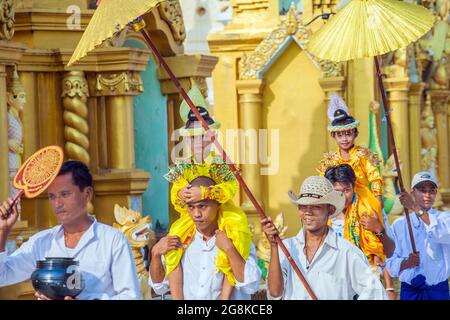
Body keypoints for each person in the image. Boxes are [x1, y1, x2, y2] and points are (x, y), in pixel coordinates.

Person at [0, 160, 141, 300]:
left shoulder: (112, 240)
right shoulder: (41, 242)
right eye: (52, 196)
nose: (57, 204)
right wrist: (3, 231)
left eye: (65, 194)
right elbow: (2, 276)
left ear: (87, 194)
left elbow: (131, 296)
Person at [262, 176, 388, 300]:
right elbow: (274, 293)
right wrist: (274, 246)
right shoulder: (286, 248)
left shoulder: (347, 252)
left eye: (316, 206)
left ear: (330, 210)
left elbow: (375, 293)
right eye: (303, 206)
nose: (308, 212)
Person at [149, 176, 261, 300]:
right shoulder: (180, 238)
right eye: (191, 207)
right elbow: (159, 287)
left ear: (218, 204)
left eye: (202, 206)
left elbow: (250, 286)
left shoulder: (236, 238)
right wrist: (155, 254)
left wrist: (229, 248)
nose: (196, 214)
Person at [324, 164, 398, 299]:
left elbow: (390, 251)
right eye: (337, 191)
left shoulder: (371, 210)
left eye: (347, 190)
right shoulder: (324, 215)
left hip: (367, 286)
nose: (343, 197)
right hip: (334, 286)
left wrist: (379, 229)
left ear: (354, 186)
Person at [386, 172, 450, 300]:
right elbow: (390, 263)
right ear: (412, 192)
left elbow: (441, 233)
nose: (427, 195)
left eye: (431, 191)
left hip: (438, 292)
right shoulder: (399, 225)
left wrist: (414, 207)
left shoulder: (445, 218)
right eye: (422, 190)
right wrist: (406, 263)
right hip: (410, 292)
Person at [317, 94, 384, 208]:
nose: (344, 139)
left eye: (348, 134)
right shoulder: (329, 161)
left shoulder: (364, 156)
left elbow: (375, 179)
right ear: (333, 136)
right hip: (338, 206)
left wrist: (377, 201)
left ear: (356, 134)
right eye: (340, 135)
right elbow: (324, 185)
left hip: (364, 203)